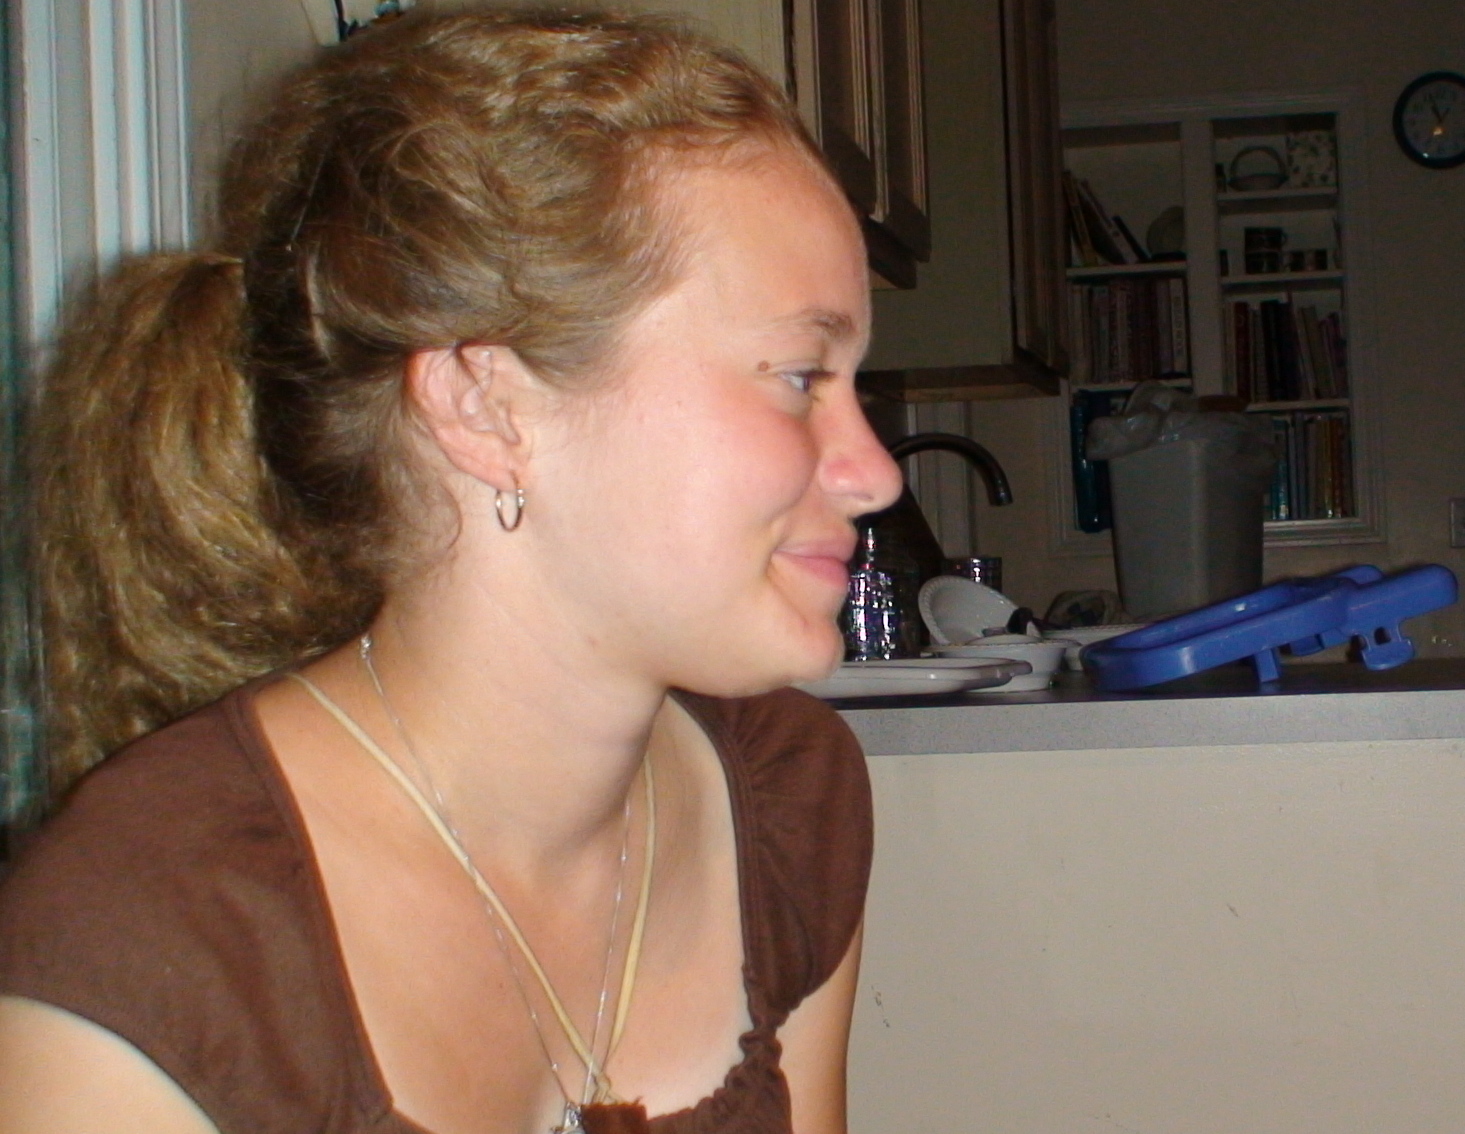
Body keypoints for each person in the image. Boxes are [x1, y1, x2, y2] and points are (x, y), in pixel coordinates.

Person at [0, 7, 902, 1133]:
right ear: (485, 405)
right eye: (801, 375)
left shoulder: (785, 805)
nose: (873, 474)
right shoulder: (150, 954)